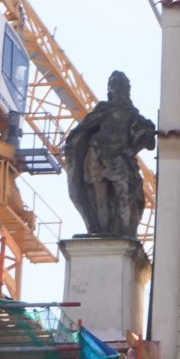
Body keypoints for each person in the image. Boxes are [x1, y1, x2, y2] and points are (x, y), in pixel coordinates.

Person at [65, 70, 156, 239]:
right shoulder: (103, 108)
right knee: (99, 195)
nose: (117, 88)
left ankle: (121, 231)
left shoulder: (132, 113)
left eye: (120, 85)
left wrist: (136, 144)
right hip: (96, 153)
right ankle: (101, 232)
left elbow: (149, 138)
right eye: (114, 84)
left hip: (118, 156)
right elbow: (85, 128)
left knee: (124, 194)